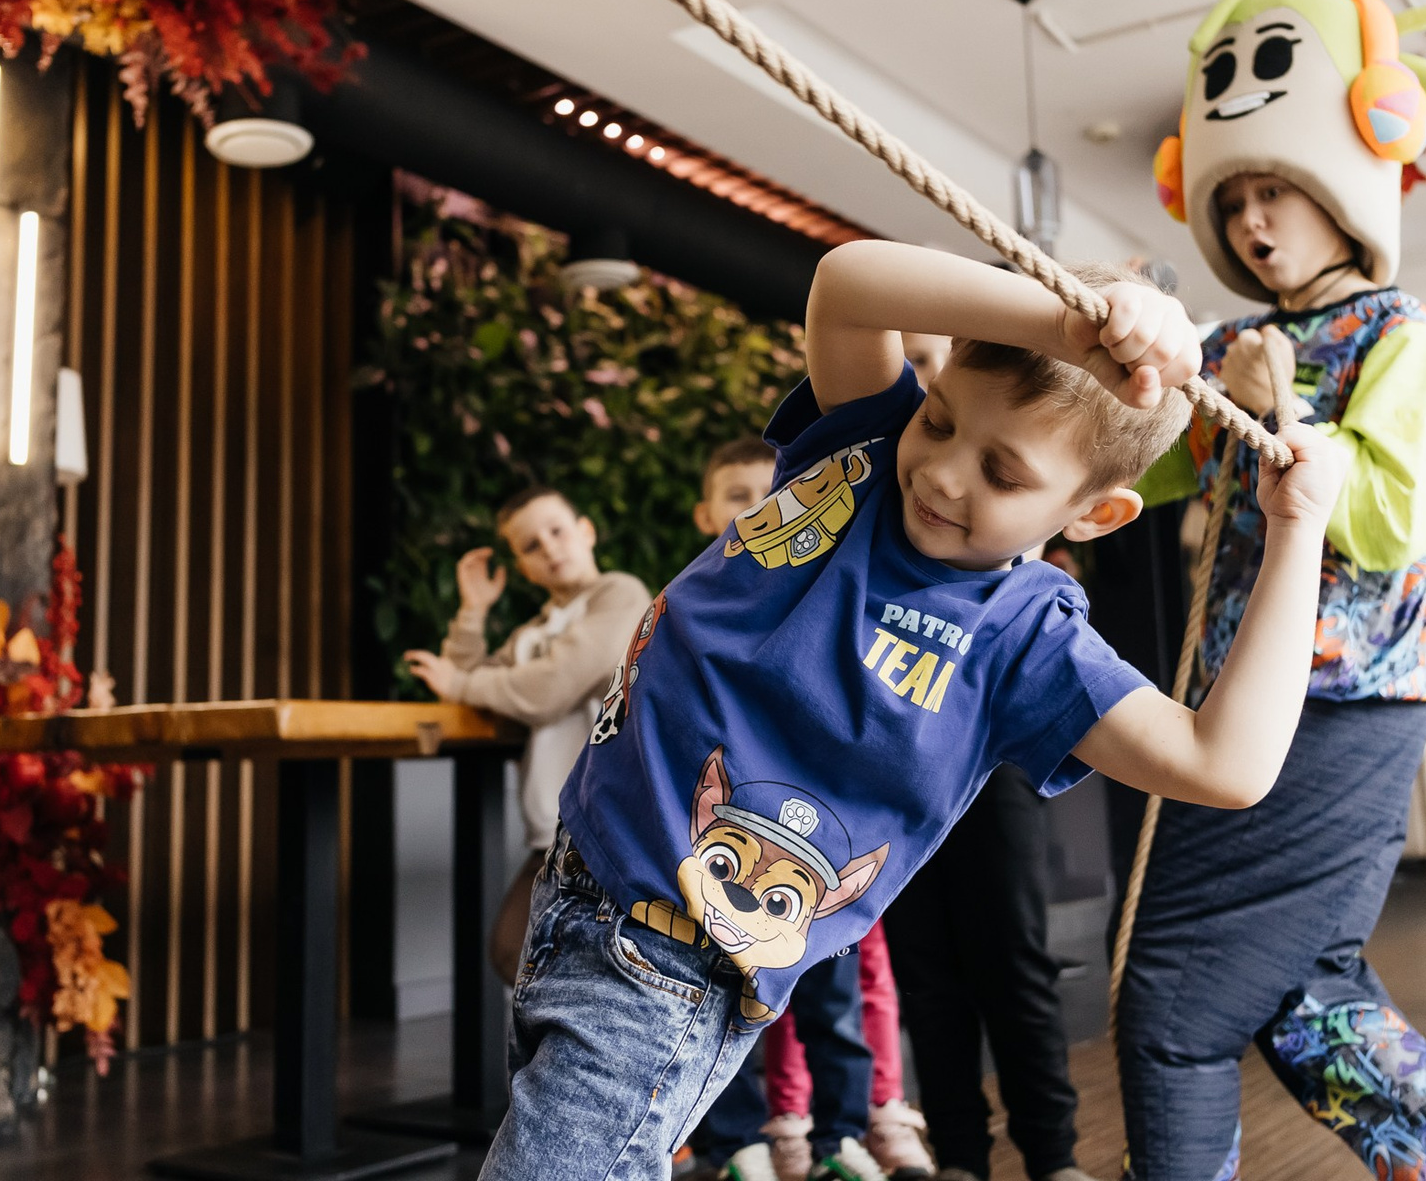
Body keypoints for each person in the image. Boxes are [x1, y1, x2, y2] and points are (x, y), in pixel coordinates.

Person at [479, 238, 1348, 1181]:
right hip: (578, 883)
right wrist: (1060, 324)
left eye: (1003, 474)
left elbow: (1226, 764)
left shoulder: (1025, 636)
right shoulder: (859, 453)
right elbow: (845, 285)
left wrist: (1297, 529)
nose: (942, 472)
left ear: (1092, 515)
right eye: (939, 421)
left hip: (669, 964)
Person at [1119, 0, 1426, 1181]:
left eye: (1274, 190)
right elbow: (1139, 467)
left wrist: (1283, 405)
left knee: (1174, 1000)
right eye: (1234, 200)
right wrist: (1123, 361)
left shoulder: (1399, 333)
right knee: (1306, 996)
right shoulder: (1226, 347)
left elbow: (1393, 516)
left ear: (1339, 188)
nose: (1253, 220)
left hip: (1344, 700)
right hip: (1243, 701)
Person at [880, 334, 1099, 1181]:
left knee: (1010, 958)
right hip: (901, 755)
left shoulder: (1004, 448)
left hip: (990, 750)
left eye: (931, 353)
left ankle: (1053, 1157)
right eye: (912, 358)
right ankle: (960, 1158)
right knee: (924, 969)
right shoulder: (907, 453)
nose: (920, 370)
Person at [685, 436, 885, 1181]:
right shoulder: (702, 601)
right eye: (737, 495)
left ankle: (842, 1137)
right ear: (706, 513)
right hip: (732, 847)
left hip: (825, 843)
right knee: (723, 994)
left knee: (833, 1002)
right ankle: (737, 1143)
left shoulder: (839, 588)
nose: (759, 506)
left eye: (774, 491)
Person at [403, 484, 651, 984]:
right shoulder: (532, 633)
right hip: (558, 829)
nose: (550, 548)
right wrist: (472, 611)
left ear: (586, 531)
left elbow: (547, 688)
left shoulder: (620, 594)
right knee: (521, 954)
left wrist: (463, 682)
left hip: (609, 822)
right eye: (532, 545)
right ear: (523, 568)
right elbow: (466, 696)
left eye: (557, 531)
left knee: (535, 954)